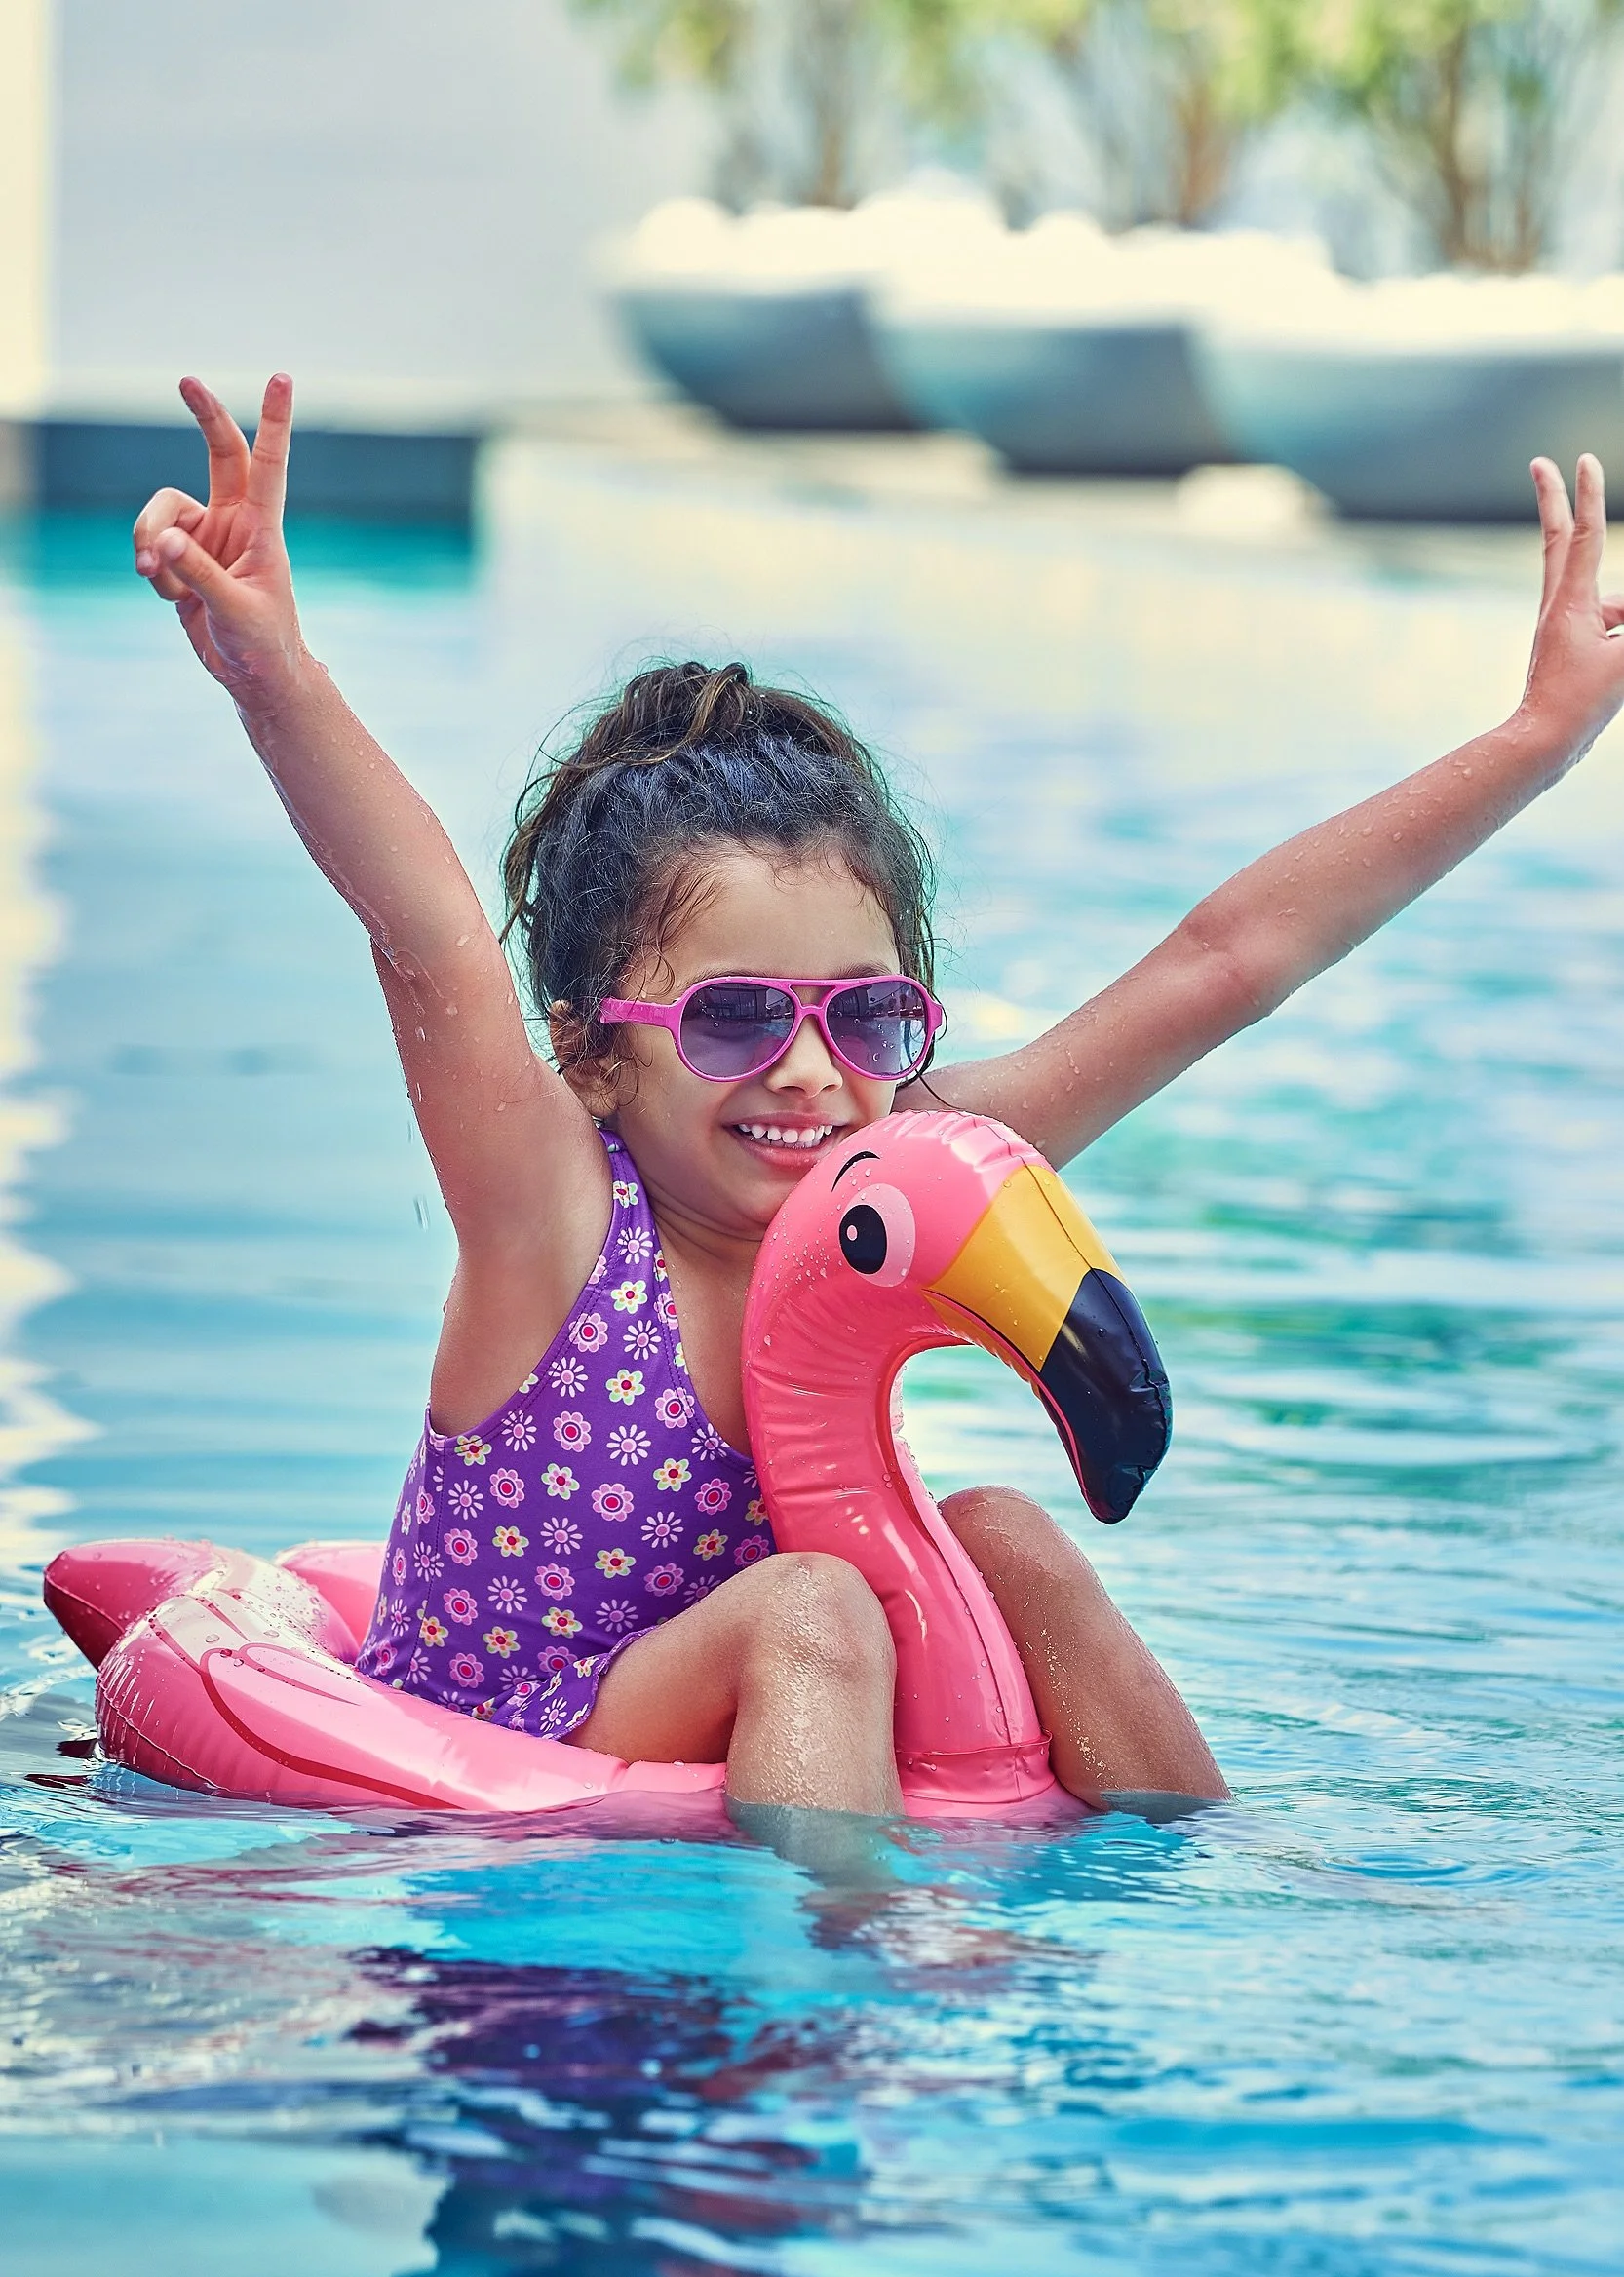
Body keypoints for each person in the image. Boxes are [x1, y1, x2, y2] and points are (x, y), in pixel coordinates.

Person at [132, 374, 1624, 1819]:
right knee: (807, 1610)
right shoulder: (557, 1215)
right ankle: (832, 1998)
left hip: (776, 1686)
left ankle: (1202, 1872)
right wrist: (274, 671)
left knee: (1005, 1535)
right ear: (593, 1047)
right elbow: (426, 934)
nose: (808, 1069)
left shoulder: (900, 1172)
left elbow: (1221, 964)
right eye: (728, 1019)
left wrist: (1535, 737)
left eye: (866, 1013)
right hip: (512, 1720)